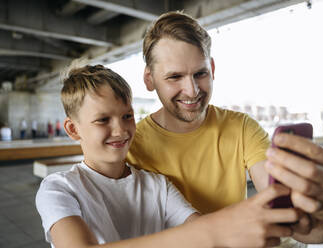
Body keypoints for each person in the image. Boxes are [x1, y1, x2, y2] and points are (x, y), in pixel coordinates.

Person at [127, 11, 323, 245]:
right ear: (149, 79)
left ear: (211, 69)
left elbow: (292, 222)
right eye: (174, 77)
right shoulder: (129, 144)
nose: (192, 91)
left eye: (200, 74)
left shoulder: (241, 128)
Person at [36, 64, 302, 248]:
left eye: (127, 116)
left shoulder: (156, 185)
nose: (120, 129)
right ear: (73, 129)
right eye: (103, 120)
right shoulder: (59, 189)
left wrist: (252, 224)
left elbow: (201, 226)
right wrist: (212, 231)